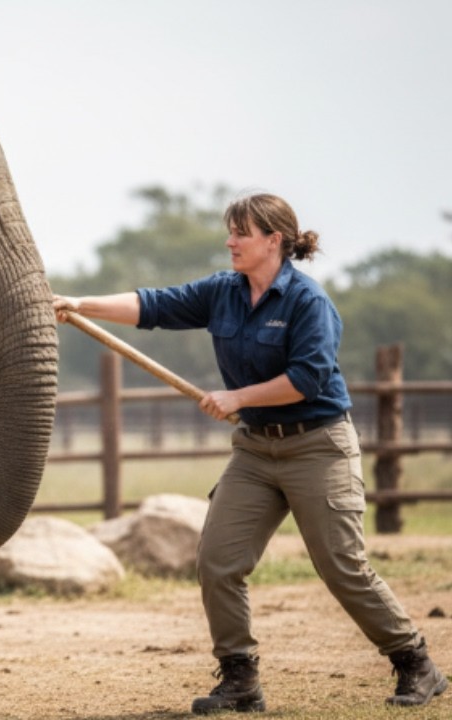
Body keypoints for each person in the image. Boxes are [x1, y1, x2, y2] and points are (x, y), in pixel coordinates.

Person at [52, 192, 446, 714]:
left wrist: (237, 397)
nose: (230, 241)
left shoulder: (309, 303)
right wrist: (81, 304)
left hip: (317, 447)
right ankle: (240, 679)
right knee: (217, 561)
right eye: (230, 231)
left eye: (241, 232)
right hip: (256, 451)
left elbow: (308, 378)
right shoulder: (223, 292)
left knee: (341, 566)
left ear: (273, 240)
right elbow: (154, 305)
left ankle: (415, 662)